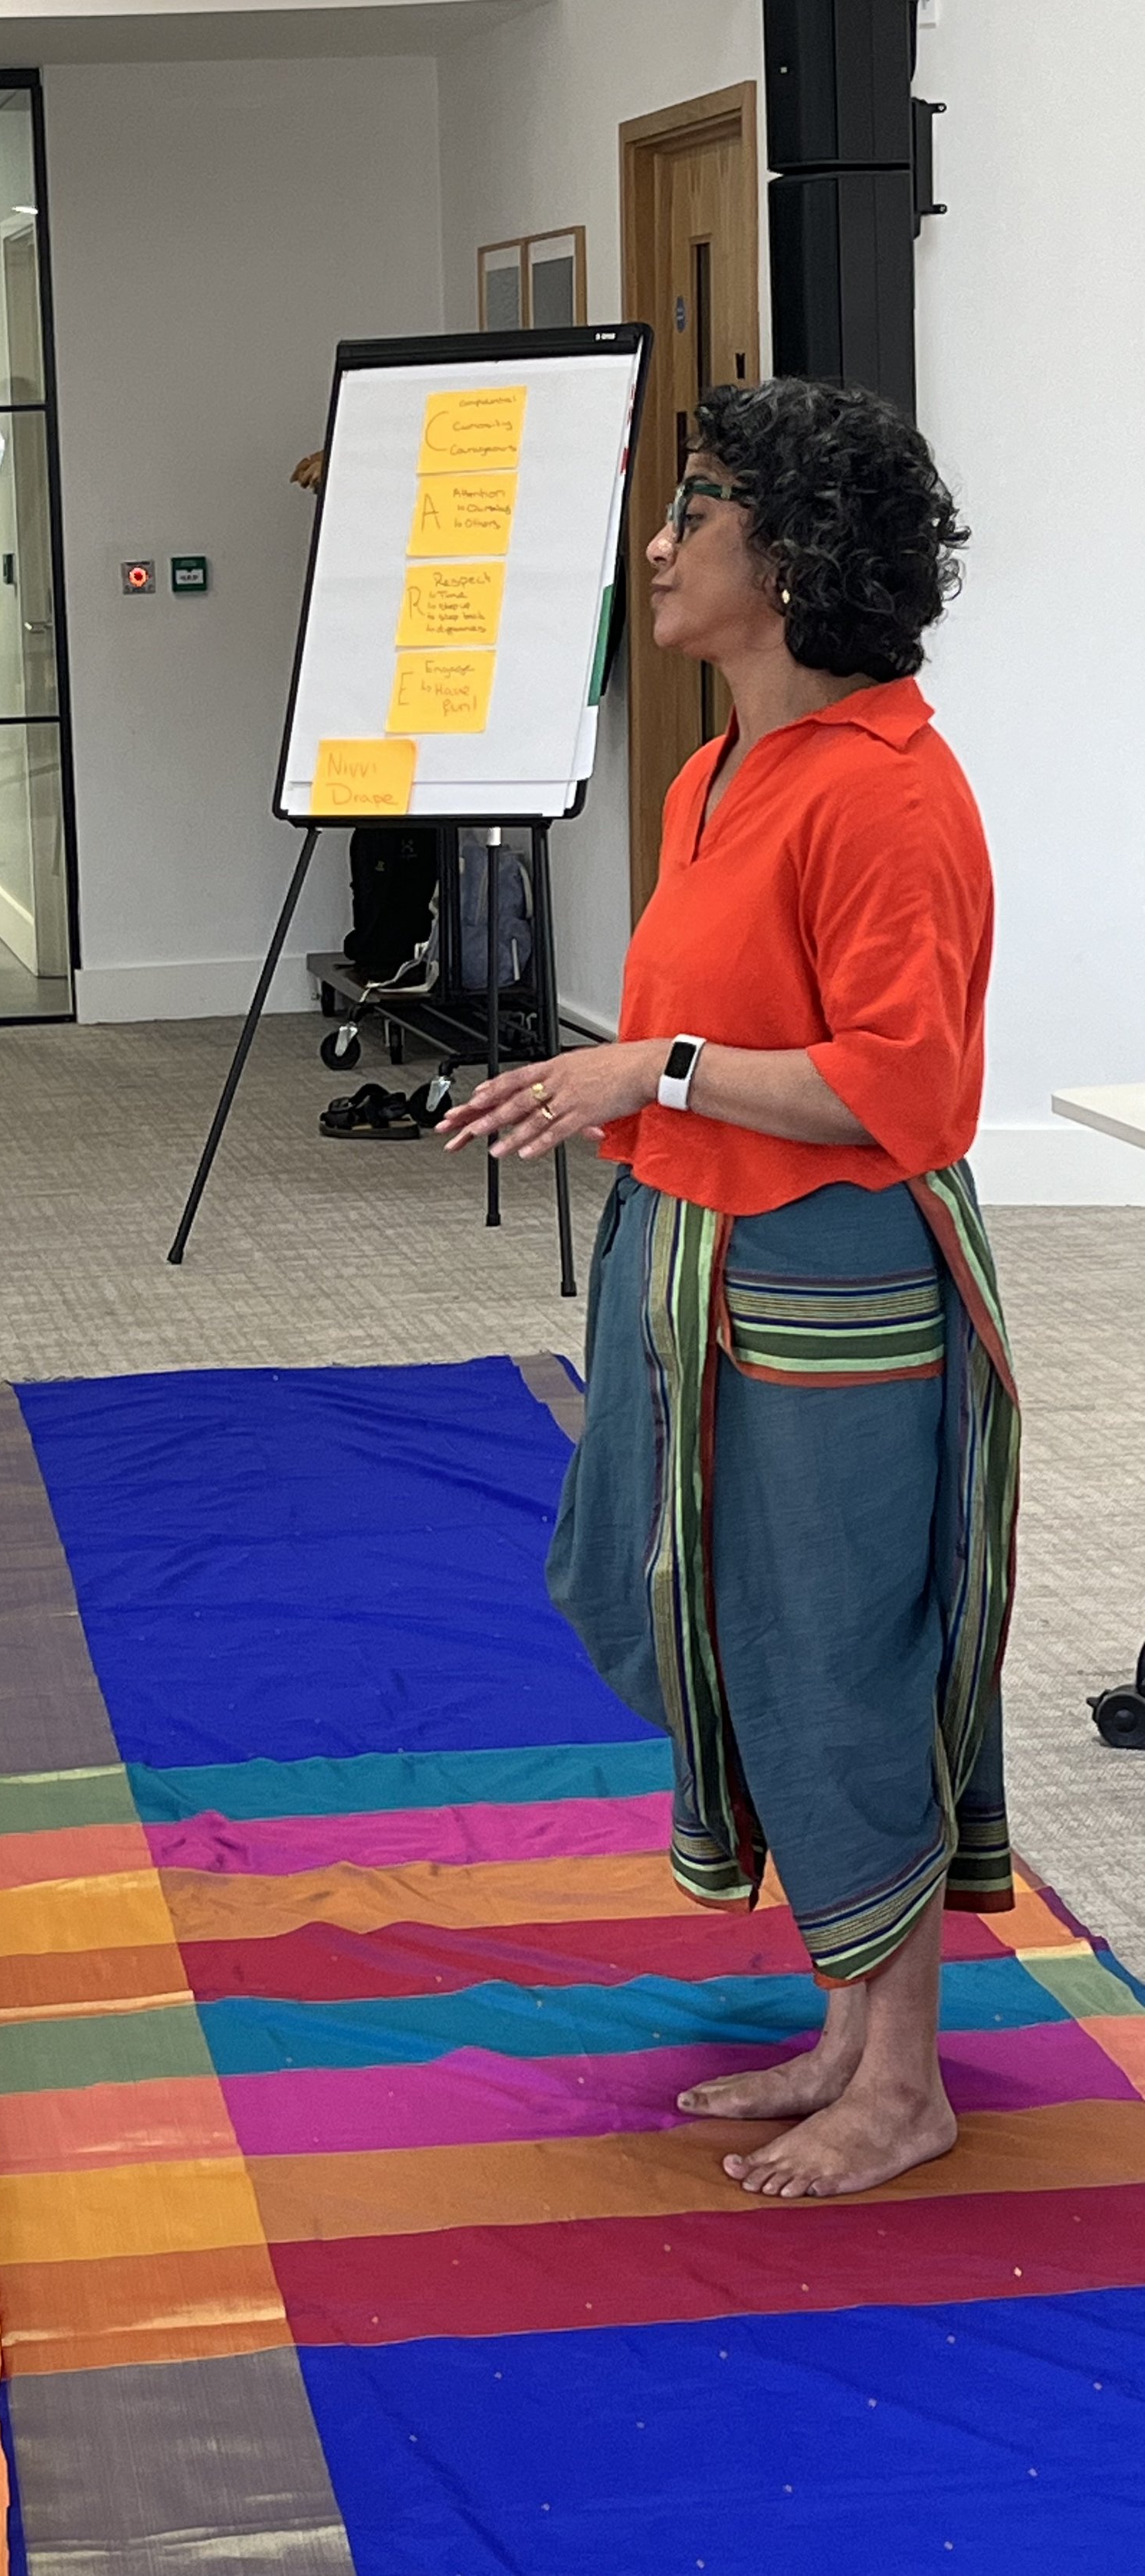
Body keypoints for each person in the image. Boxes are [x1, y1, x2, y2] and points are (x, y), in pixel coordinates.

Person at [437, 377, 1019, 2201]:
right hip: (690, 1255)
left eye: (694, 511)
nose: (658, 542)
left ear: (793, 561)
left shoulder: (888, 796)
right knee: (688, 1615)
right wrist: (647, 1088)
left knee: (832, 1653)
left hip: (824, 1282)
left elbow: (903, 1094)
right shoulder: (715, 771)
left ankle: (903, 2070)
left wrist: (649, 1069)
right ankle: (849, 2024)